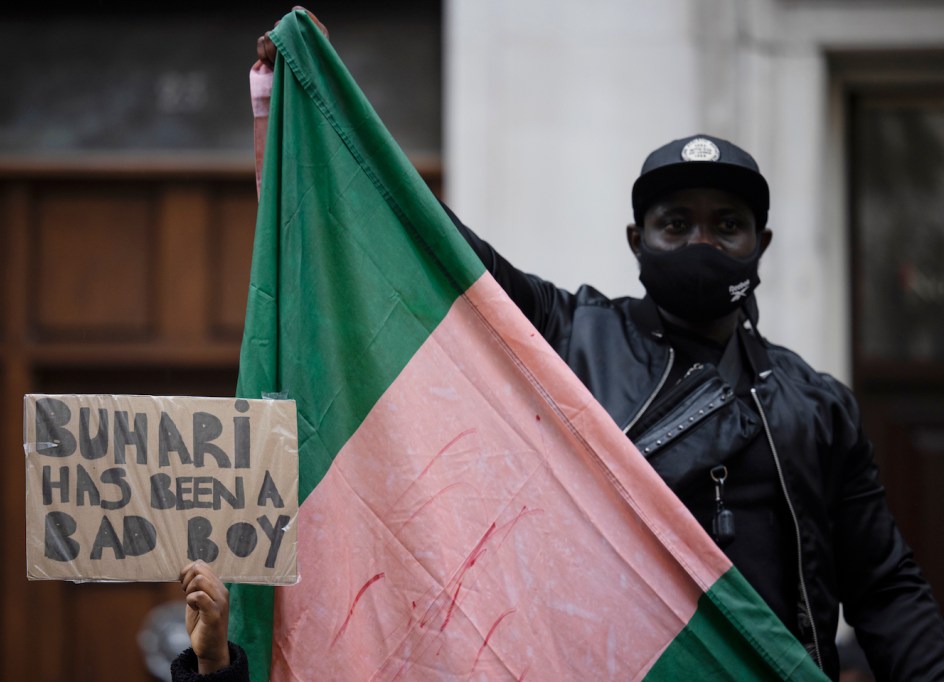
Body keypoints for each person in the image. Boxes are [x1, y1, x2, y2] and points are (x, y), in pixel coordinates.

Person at [191, 11, 944, 680]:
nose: (702, 240)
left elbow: (884, 590)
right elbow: (440, 251)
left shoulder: (818, 406)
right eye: (676, 224)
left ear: (761, 244)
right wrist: (335, 116)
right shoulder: (567, 334)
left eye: (726, 224)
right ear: (636, 242)